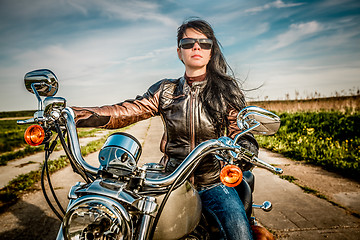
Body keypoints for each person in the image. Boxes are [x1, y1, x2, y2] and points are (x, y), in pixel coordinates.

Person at [72, 18, 273, 240]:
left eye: (204, 43)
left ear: (211, 51)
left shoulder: (226, 90)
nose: (196, 47)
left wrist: (244, 148)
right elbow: (125, 111)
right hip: (171, 181)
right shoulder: (166, 90)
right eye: (188, 43)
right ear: (180, 52)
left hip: (213, 182)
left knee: (240, 234)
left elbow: (241, 128)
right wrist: (73, 115)